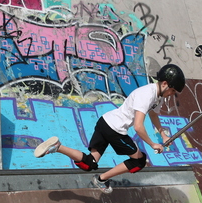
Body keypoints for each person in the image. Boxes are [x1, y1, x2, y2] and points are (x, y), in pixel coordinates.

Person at [34, 64, 185, 193]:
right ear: (165, 84)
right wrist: (153, 144)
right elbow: (139, 127)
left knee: (90, 163)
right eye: (173, 91)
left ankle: (57, 147)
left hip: (105, 122)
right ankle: (101, 179)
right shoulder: (147, 94)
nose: (172, 95)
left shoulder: (158, 96)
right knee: (139, 161)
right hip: (115, 130)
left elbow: (153, 115)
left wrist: (163, 135)